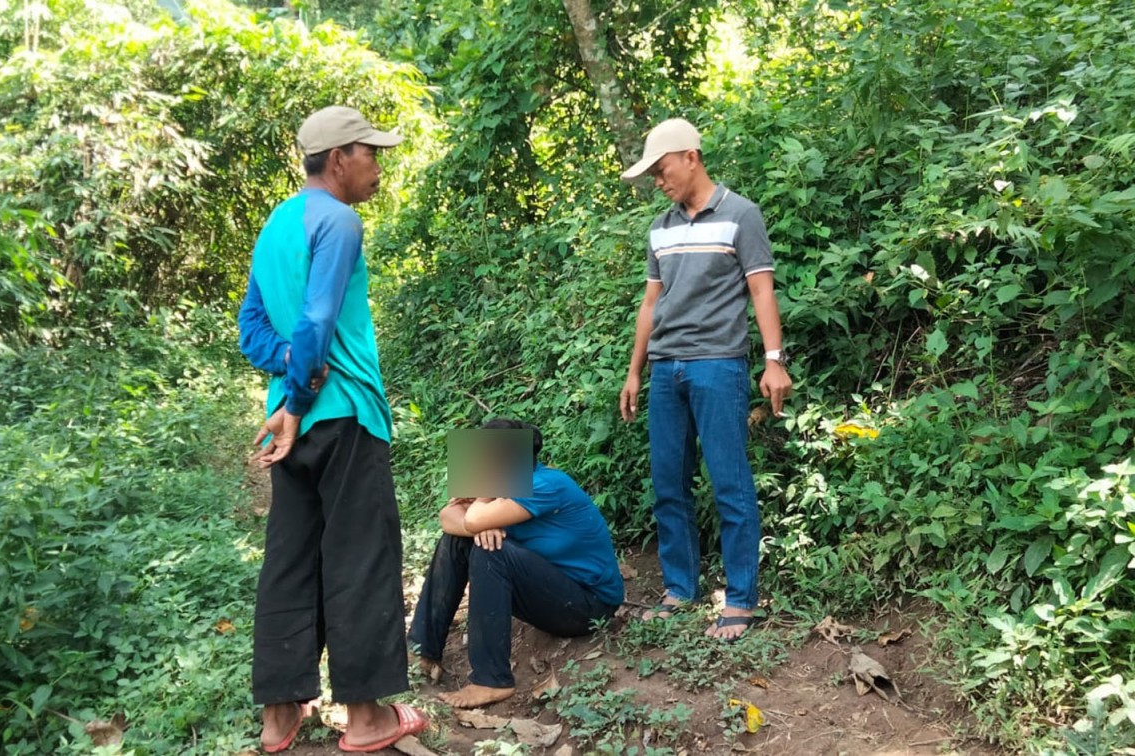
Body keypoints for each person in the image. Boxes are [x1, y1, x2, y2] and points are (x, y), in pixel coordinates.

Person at [236, 106, 428, 753]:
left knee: (289, 559)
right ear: (340, 156)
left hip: (292, 426)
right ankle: (368, 719)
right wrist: (301, 393)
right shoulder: (338, 220)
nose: (378, 164)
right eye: (371, 152)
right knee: (360, 556)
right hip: (343, 414)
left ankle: (279, 714)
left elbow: (252, 329)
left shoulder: (277, 223)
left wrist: (287, 390)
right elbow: (317, 323)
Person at [617, 118, 793, 641]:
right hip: (666, 368)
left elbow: (761, 291)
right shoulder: (661, 228)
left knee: (729, 480)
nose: (658, 181)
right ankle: (680, 589)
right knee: (669, 480)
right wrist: (635, 371)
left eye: (661, 168)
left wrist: (774, 359)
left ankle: (740, 599)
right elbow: (651, 303)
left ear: (690, 156)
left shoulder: (742, 215)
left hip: (719, 363)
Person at [408, 419, 625, 708]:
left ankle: (491, 680)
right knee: (461, 540)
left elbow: (471, 519)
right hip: (550, 592)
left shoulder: (544, 484)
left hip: (589, 605)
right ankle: (422, 650)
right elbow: (447, 518)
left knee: (490, 550)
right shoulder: (505, 489)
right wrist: (479, 523)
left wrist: (481, 504)